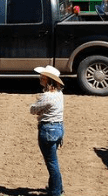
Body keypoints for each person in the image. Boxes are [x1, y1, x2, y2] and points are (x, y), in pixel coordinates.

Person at [30, 65, 65, 196]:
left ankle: (55, 192)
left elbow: (33, 109)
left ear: (47, 80)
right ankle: (56, 187)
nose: (40, 78)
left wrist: (35, 106)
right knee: (53, 160)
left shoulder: (46, 96)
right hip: (58, 128)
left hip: (48, 130)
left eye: (42, 77)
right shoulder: (59, 94)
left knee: (51, 162)